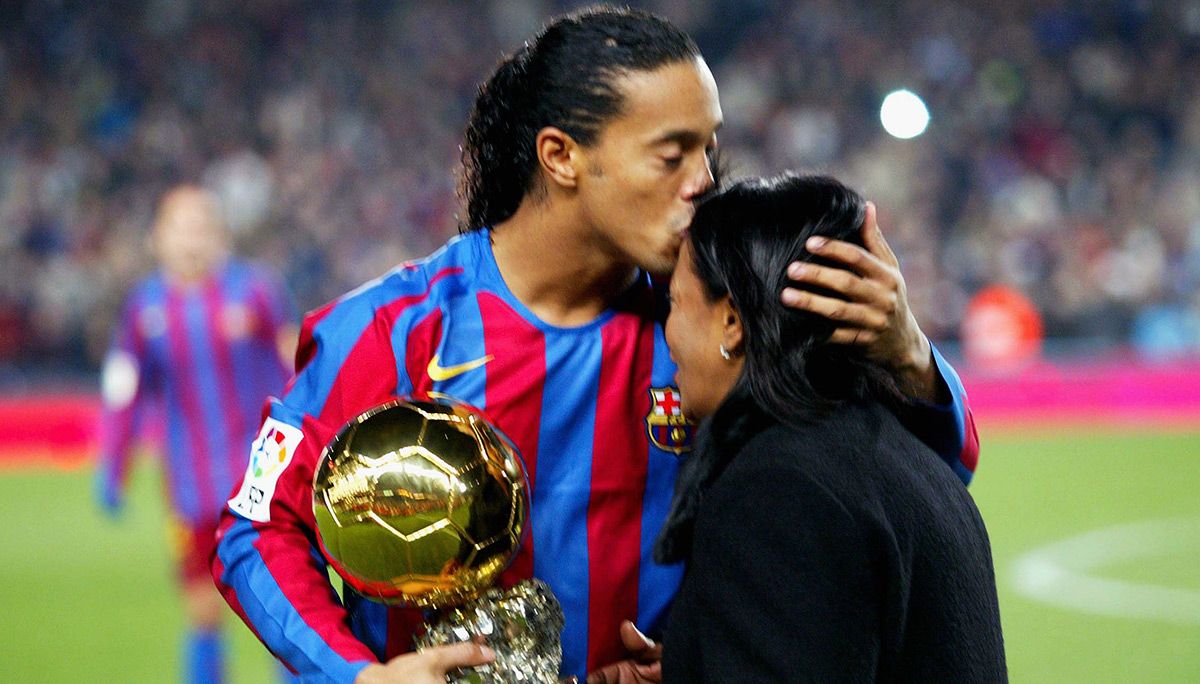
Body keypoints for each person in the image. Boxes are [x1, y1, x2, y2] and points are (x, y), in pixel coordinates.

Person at [212, 7, 980, 683]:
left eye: (709, 149)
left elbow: (914, 485)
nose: (704, 181)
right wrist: (355, 677)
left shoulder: (710, 328)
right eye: (671, 153)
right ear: (562, 157)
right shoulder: (394, 330)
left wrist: (910, 356)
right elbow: (256, 527)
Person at [657, 173, 1005, 682]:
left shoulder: (774, 492)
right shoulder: (920, 465)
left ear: (733, 320)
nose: (667, 336)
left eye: (674, 302)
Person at [96, 185, 300, 684]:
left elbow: (298, 363)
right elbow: (126, 388)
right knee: (201, 609)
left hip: (263, 478)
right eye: (180, 227)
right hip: (188, 486)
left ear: (220, 235)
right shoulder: (145, 308)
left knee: (281, 606)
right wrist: (113, 463)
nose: (191, 238)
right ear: (157, 239)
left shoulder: (255, 291)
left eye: (201, 226)